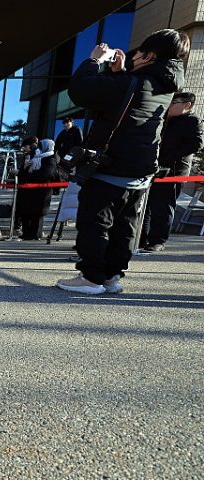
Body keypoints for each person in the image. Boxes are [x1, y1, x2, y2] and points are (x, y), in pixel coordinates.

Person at [56, 29, 188, 294]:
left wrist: (95, 60)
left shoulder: (135, 82)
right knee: (125, 225)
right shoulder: (164, 87)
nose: (134, 56)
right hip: (141, 170)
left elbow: (82, 90)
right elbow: (128, 107)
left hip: (112, 165)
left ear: (150, 55)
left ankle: (91, 278)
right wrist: (121, 73)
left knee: (95, 221)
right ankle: (111, 276)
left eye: (139, 51)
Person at [140, 91, 204, 252]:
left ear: (187, 105)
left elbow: (197, 144)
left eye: (173, 102)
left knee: (163, 207)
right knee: (145, 205)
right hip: (153, 168)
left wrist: (170, 156)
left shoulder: (193, 121)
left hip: (173, 171)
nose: (169, 105)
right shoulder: (164, 118)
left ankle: (158, 241)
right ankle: (141, 239)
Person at [16, 138, 60, 240]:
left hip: (43, 191)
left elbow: (46, 174)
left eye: (41, 147)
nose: (38, 149)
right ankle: (27, 234)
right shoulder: (36, 157)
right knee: (28, 212)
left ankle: (36, 234)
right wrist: (25, 169)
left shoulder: (51, 158)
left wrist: (31, 174)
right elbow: (24, 174)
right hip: (31, 190)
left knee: (38, 214)